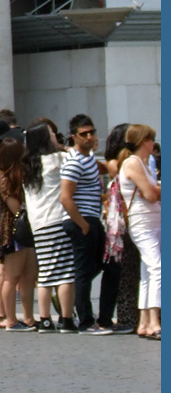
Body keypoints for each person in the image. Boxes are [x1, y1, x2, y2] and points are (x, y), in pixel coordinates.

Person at [60, 113, 117, 335]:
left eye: (92, 132)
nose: (90, 137)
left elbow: (104, 169)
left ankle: (103, 318)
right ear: (74, 136)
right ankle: (85, 321)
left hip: (91, 219)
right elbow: (66, 197)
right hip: (81, 221)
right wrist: (83, 225)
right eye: (84, 134)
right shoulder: (74, 161)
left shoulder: (88, 159)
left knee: (110, 265)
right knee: (83, 272)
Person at [23, 119, 76, 333]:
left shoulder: (28, 165)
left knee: (44, 273)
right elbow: (77, 155)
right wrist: (63, 145)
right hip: (56, 220)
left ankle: (44, 319)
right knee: (65, 273)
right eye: (51, 134)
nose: (56, 136)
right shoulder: (57, 159)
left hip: (38, 224)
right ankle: (66, 318)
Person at [0, 137, 37, 331]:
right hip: (14, 233)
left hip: (17, 232)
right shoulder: (5, 178)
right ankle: (12, 319)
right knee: (13, 276)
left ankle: (28, 318)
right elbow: (15, 208)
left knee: (28, 275)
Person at [118, 124, 161, 339]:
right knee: (158, 268)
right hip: (142, 221)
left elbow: (152, 192)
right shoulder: (133, 163)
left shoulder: (144, 164)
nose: (153, 143)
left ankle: (144, 322)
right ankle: (154, 321)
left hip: (152, 221)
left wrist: (154, 190)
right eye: (151, 139)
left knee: (147, 271)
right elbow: (151, 195)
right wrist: (154, 190)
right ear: (143, 141)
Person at [105, 123, 139, 333]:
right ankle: (128, 316)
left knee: (131, 270)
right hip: (123, 221)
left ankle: (131, 316)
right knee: (128, 271)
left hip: (121, 220)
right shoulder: (118, 163)